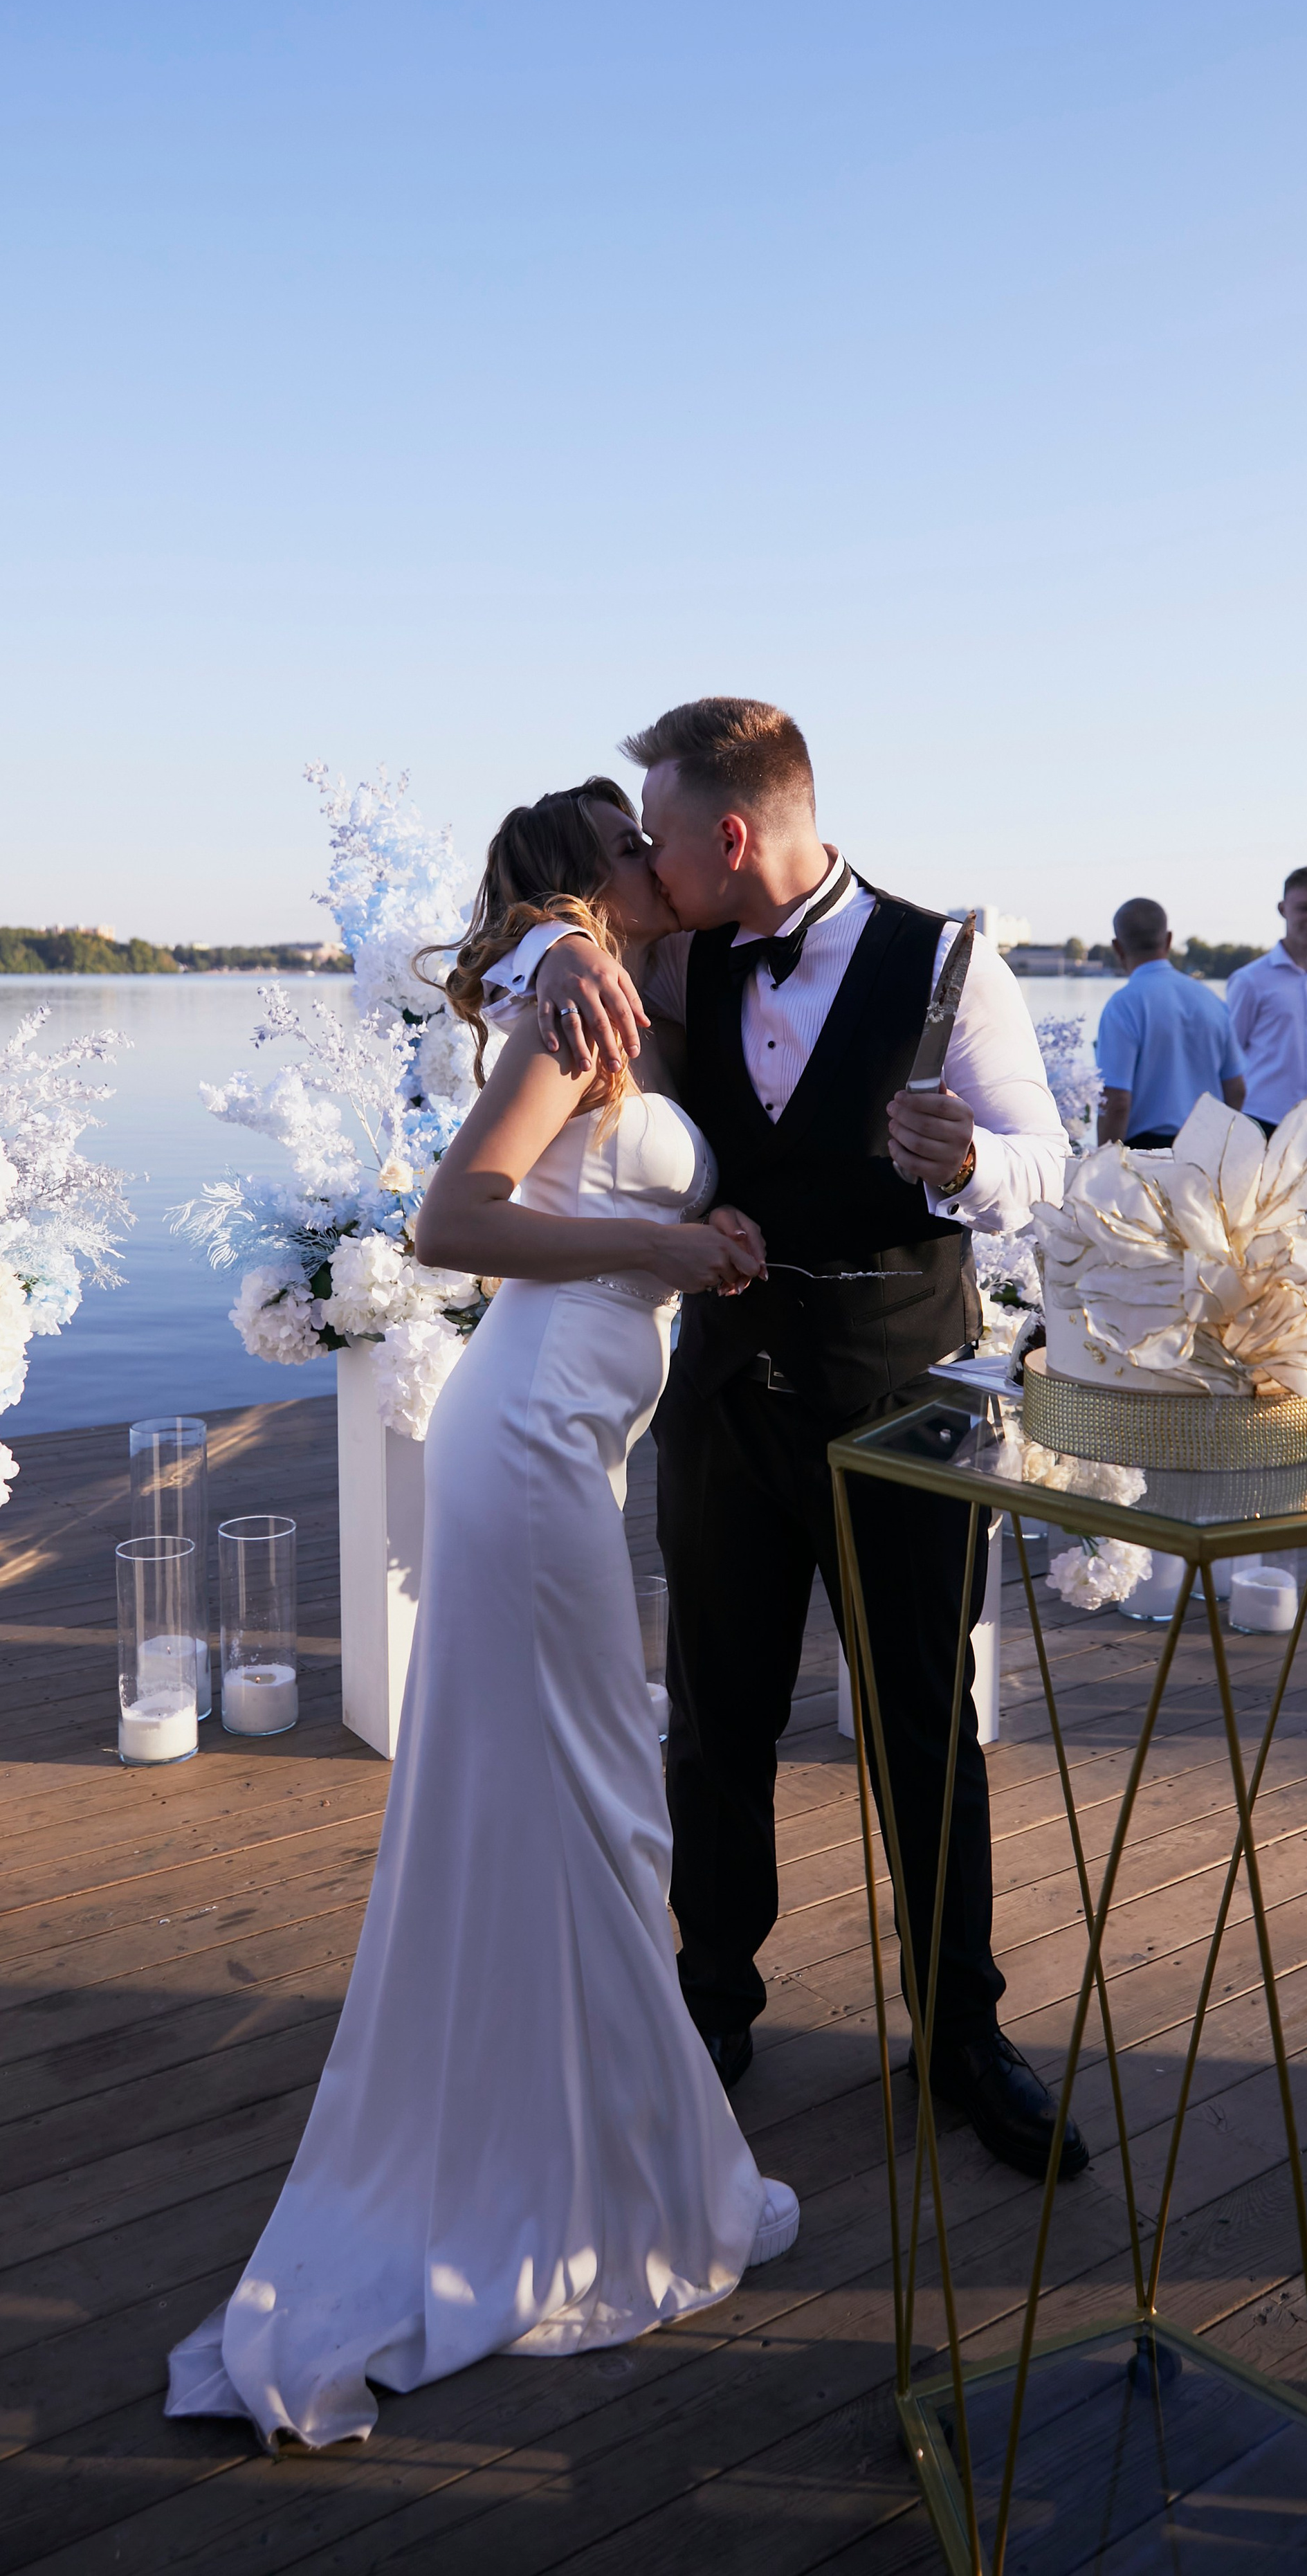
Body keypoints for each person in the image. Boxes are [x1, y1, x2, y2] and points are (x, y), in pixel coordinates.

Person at [166, 780, 799, 2451]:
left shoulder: (605, 980)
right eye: (626, 838)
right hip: (523, 1444)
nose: (655, 856)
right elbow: (452, 1221)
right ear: (585, 872)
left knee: (574, 1801)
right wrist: (668, 1245)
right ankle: (598, 2175)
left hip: (558, 1446)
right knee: (593, 1797)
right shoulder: (563, 984)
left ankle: (618, 2150)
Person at [488, 699, 1083, 2183]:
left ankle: (960, 2036)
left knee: (918, 1726)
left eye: (659, 836)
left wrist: (972, 1165)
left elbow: (1046, 1161)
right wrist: (545, 948)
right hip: (726, 1396)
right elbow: (487, 940)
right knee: (715, 1720)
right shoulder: (665, 952)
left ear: (728, 835)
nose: (645, 861)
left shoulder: (950, 960)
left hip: (903, 1393)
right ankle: (711, 2007)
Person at [1093, 898, 1245, 1149]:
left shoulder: (1123, 1005)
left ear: (1117, 947)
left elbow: (1117, 1101)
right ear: (1169, 940)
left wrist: (1103, 1167)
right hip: (1207, 1150)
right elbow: (1237, 1090)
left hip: (1146, 1155)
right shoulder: (1212, 1001)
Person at [1225, 864, 1307, 1136]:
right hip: (1257, 1119)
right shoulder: (1250, 980)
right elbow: (1228, 1057)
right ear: (1283, 909)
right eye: (1305, 908)